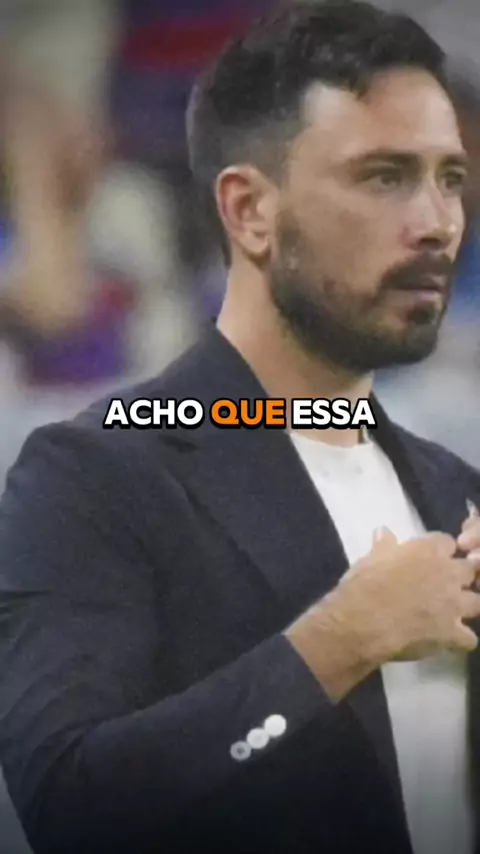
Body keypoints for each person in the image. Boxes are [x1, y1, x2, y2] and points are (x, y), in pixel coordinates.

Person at [1, 3, 480, 853]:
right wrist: (340, 640)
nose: (438, 221)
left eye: (450, 178)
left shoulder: (454, 485)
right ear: (249, 210)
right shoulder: (93, 472)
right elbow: (70, 809)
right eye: (383, 177)